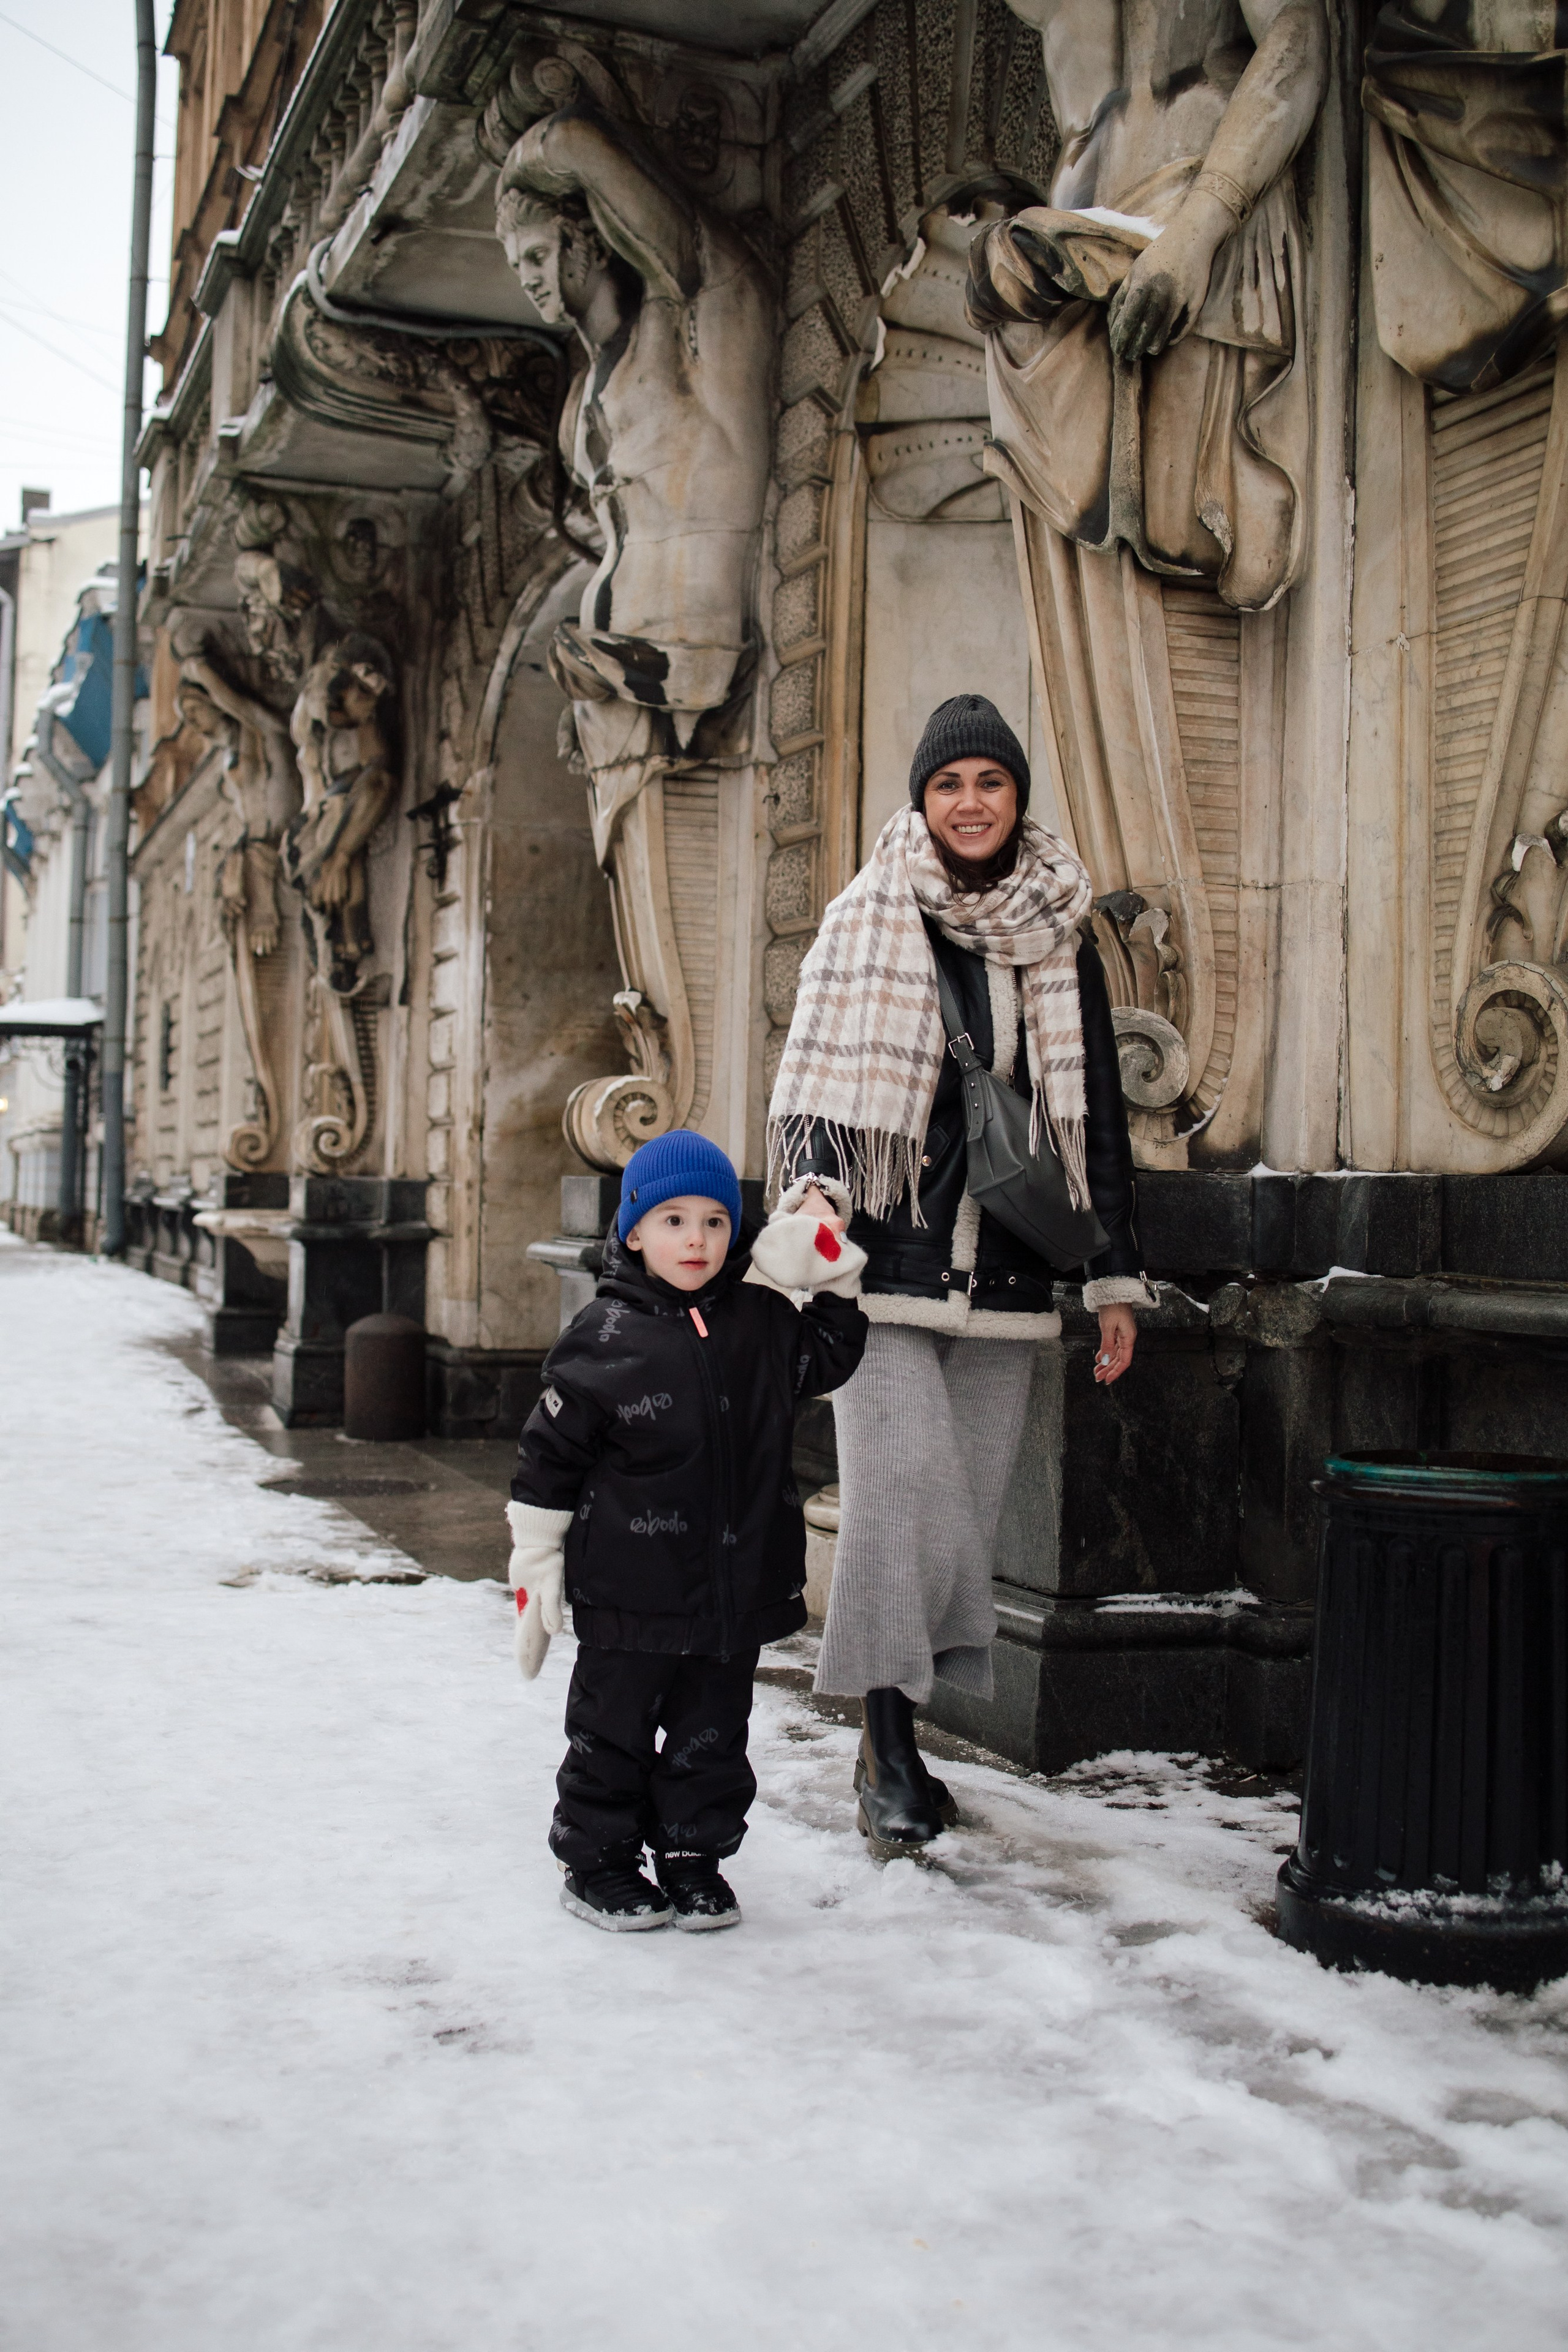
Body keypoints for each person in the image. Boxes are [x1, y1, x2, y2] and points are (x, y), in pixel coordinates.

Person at [769, 694, 1153, 1859]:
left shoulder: (1061, 938)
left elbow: (1098, 1137)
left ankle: (898, 1736)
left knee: (962, 1519)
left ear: (1017, 798)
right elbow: (820, 1080)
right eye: (949, 785)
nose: (970, 803)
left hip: (1015, 1277)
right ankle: (887, 1748)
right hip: (880, 1267)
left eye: (989, 782)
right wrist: (813, 1211)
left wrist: (1116, 1283)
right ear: (922, 802)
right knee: (899, 1501)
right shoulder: (870, 917)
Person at [505, 1129, 867, 1932]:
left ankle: (692, 1860)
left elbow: (831, 1356)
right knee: (613, 1733)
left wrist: (827, 1253)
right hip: (629, 1591)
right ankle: (597, 1864)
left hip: (731, 1592)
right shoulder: (601, 1340)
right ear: (634, 1231)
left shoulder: (762, 1322)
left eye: (713, 1221)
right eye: (673, 1221)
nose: (696, 1239)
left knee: (711, 1735)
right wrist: (536, 1563)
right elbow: (547, 1459)